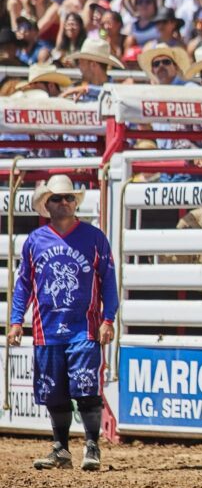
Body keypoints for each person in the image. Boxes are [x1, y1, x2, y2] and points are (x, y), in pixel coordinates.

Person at [8, 175, 118, 471]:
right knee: (53, 390)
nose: (65, 202)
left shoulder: (94, 238)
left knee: (85, 387)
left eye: (69, 198)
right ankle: (61, 448)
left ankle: (92, 445)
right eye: (58, 198)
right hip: (47, 329)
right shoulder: (34, 241)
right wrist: (16, 321)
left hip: (84, 326)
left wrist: (109, 318)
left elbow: (108, 280)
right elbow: (24, 285)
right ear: (47, 204)